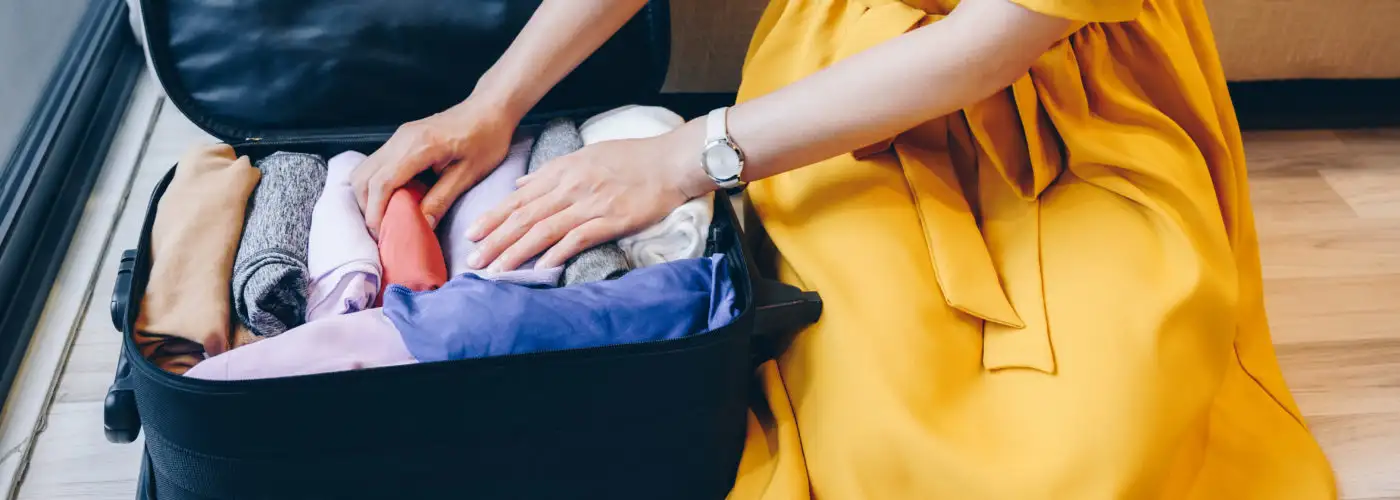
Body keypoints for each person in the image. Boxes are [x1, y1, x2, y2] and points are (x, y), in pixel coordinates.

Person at [350, 0, 1337, 497]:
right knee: (876, 414)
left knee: (1093, 447)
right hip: (837, 88)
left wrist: (686, 159)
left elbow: (995, 35)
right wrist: (495, 99)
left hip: (1076, 110)